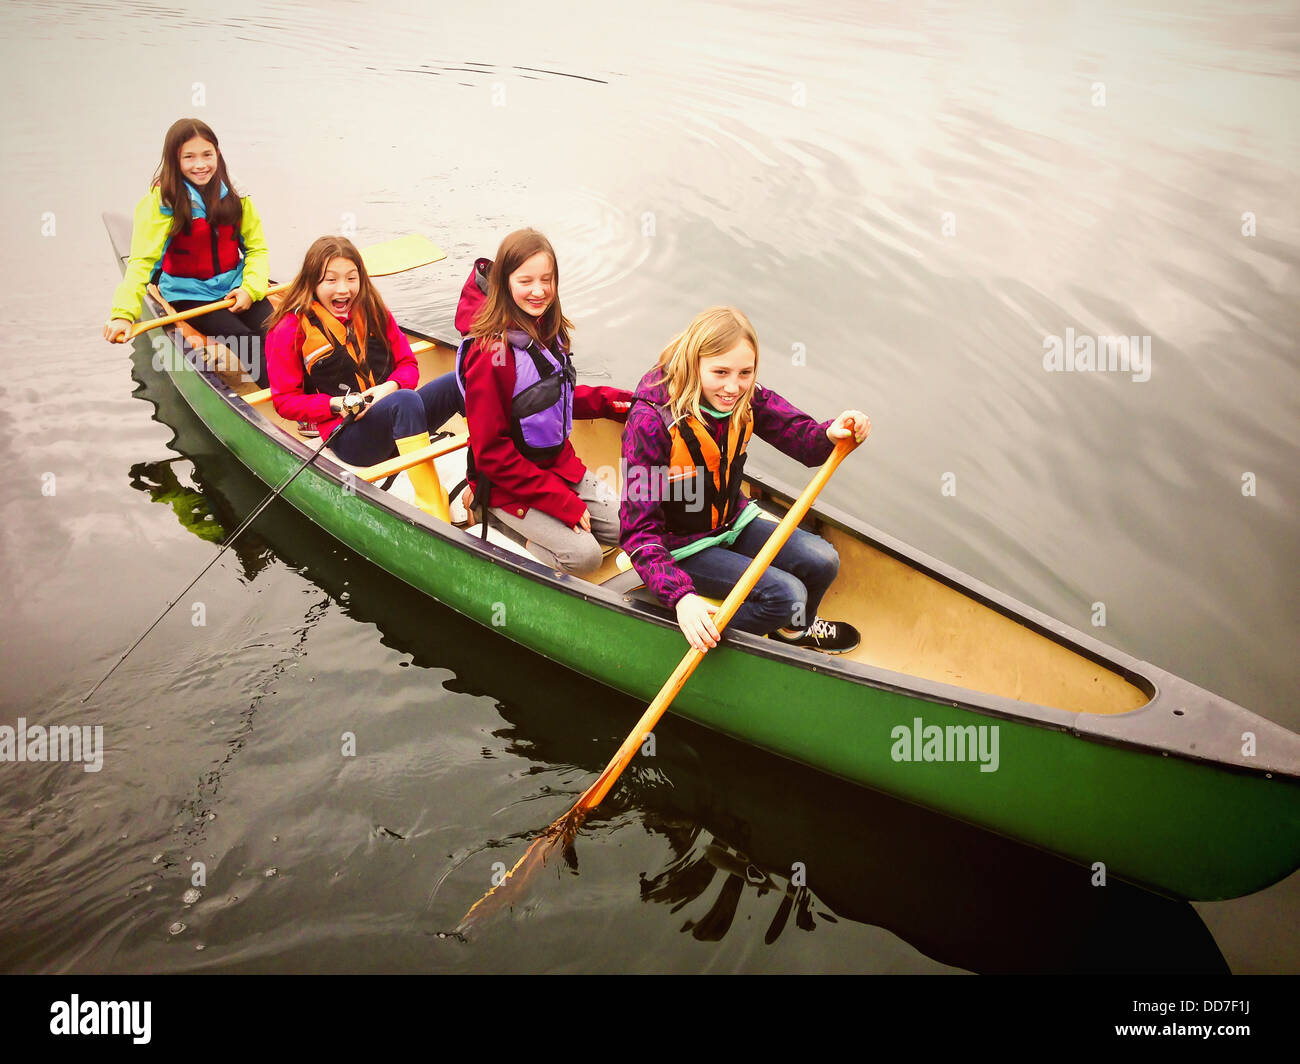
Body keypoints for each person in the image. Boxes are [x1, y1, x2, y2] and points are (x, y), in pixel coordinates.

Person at [620, 306, 870, 654]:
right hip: (680, 548)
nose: (733, 387)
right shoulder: (650, 422)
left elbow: (802, 440)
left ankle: (792, 633)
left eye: (745, 373)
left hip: (731, 522)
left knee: (822, 560)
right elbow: (637, 532)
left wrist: (831, 433)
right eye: (720, 372)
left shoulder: (744, 396)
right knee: (786, 595)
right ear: (695, 363)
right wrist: (681, 597)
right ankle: (697, 626)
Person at [456, 229, 632, 574]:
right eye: (526, 281)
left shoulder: (548, 331)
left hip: (557, 466)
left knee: (632, 527)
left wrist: (613, 403)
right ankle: (487, 513)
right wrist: (562, 503)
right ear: (505, 283)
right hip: (505, 484)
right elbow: (490, 452)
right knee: (585, 557)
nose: (539, 291)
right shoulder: (491, 355)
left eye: (546, 280)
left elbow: (548, 400)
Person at [264, 236, 462, 515]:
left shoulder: (374, 309)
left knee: (460, 379)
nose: (343, 289)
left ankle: (500, 469)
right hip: (350, 437)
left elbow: (408, 365)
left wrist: (388, 387)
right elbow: (284, 402)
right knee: (406, 401)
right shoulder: (288, 329)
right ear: (312, 283)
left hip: (397, 416)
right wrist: (337, 404)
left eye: (351, 278)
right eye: (330, 280)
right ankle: (434, 511)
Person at [104, 118, 273, 387]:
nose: (200, 165)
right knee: (243, 339)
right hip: (189, 294)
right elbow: (141, 262)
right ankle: (286, 404)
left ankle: (309, 398)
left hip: (234, 285)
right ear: (175, 160)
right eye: (189, 157)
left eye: (207, 154)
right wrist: (123, 314)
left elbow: (257, 249)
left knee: (277, 329)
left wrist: (250, 289)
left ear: (218, 154)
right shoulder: (163, 202)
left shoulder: (237, 195)